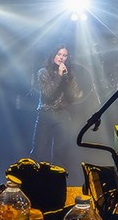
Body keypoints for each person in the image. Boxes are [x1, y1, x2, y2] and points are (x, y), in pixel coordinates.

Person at [29, 43, 83, 176]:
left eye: (64, 55)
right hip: (45, 114)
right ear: (53, 55)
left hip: (62, 115)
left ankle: (56, 182)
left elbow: (73, 97)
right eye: (59, 54)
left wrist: (67, 80)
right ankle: (33, 180)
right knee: (39, 151)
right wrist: (59, 76)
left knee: (60, 152)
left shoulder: (68, 75)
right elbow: (48, 95)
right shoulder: (43, 72)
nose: (61, 58)